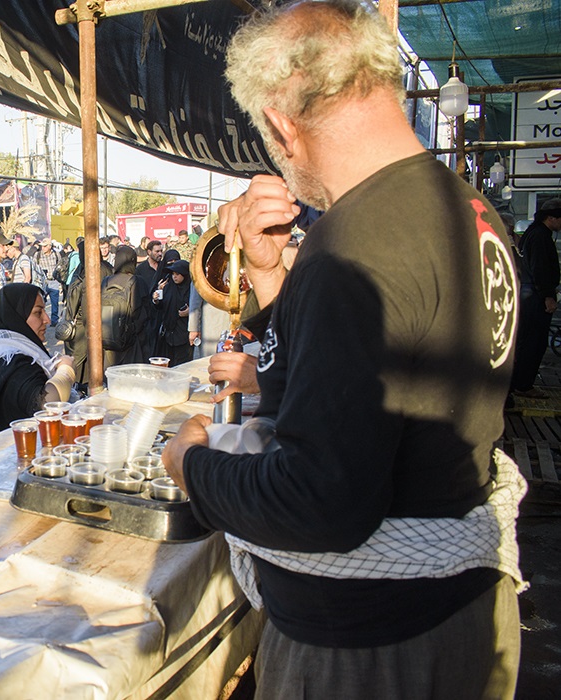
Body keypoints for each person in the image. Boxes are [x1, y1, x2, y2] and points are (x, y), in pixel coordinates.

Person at [161, 3, 521, 697]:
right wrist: (269, 279)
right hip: (460, 616)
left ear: (280, 123)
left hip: (372, 649)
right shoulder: (465, 210)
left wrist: (192, 465)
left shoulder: (356, 245)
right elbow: (350, 386)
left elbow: (318, 503)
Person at [0, 283, 75, 440]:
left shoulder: (1, 351)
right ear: (15, 317)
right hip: (13, 456)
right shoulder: (14, 361)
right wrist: (65, 370)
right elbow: (47, 405)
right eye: (38, 312)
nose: (46, 319)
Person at [509, 197, 561, 399]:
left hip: (529, 294)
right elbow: (539, 269)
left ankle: (520, 382)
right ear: (551, 218)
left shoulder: (535, 233)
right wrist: (548, 295)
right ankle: (523, 384)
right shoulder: (540, 236)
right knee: (533, 342)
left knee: (528, 341)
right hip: (534, 296)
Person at [61, 238, 113, 390]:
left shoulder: (99, 270)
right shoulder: (84, 269)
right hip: (81, 323)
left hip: (89, 322)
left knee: (81, 358)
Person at [101, 245, 152, 367]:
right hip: (132, 342)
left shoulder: (106, 281)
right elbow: (146, 312)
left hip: (109, 339)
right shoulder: (137, 281)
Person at [152, 260, 193, 366]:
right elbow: (162, 307)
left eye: (178, 274)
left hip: (184, 334)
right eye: (173, 274)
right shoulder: (169, 287)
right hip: (169, 335)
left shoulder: (191, 289)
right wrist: (156, 300)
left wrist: (191, 311)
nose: (175, 277)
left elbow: (198, 308)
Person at [35, 237, 62, 325]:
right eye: (42, 246)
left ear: (50, 246)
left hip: (54, 281)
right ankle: (41, 320)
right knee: (41, 302)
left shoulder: (56, 254)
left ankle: (54, 321)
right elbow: (35, 267)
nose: (43, 248)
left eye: (45, 246)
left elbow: (60, 266)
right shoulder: (38, 255)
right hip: (43, 282)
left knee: (55, 303)